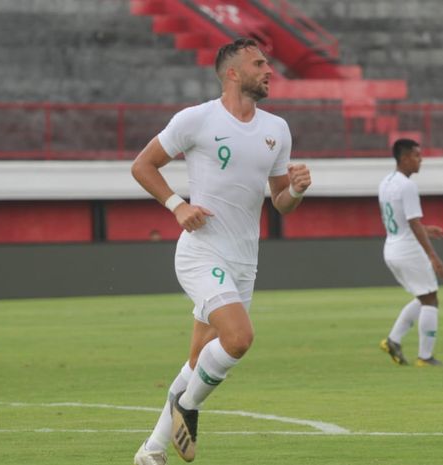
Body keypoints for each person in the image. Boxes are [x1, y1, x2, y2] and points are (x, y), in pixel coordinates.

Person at [130, 37, 311, 465]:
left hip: (245, 259)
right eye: (259, 63)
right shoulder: (197, 119)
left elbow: (281, 202)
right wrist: (178, 206)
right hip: (202, 252)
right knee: (239, 338)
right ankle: (188, 407)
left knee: (197, 361)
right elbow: (143, 165)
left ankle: (151, 453)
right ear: (232, 73)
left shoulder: (276, 130)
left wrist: (298, 192)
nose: (269, 71)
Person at [378, 138, 443, 367]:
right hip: (408, 250)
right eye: (417, 155)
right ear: (405, 158)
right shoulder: (408, 186)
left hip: (392, 247)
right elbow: (414, 223)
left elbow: (400, 221)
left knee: (422, 296)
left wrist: (428, 230)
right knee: (431, 299)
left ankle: (393, 340)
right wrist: (432, 255)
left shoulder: (386, 182)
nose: (421, 160)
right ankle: (425, 357)